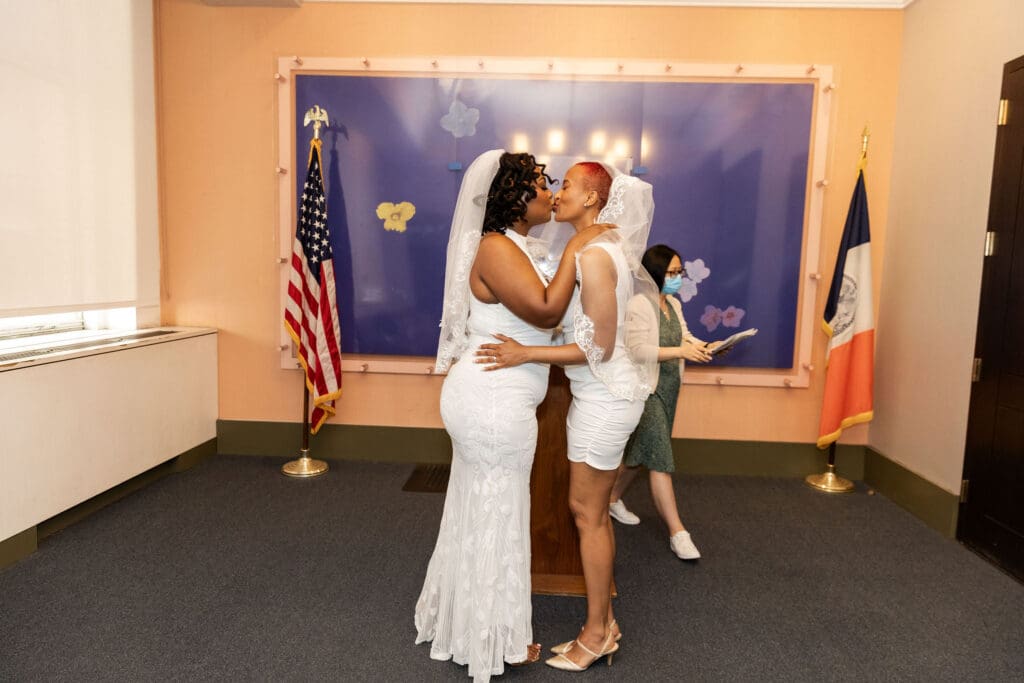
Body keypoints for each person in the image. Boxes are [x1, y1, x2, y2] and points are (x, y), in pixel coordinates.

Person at [414, 150, 603, 683]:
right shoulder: (495, 246)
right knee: (497, 510)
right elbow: (543, 310)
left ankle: (476, 626)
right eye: (542, 184)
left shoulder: (520, 244)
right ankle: (494, 638)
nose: (551, 193)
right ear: (517, 196)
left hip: (503, 396)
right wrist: (577, 248)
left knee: (487, 508)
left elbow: (554, 318)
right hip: (490, 399)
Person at [477, 162, 659, 672]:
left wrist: (525, 355)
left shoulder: (597, 256)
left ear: (594, 198)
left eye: (568, 187)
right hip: (596, 396)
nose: (557, 195)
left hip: (605, 397)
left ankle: (598, 632)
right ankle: (604, 624)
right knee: (589, 513)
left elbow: (598, 348)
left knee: (589, 515)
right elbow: (579, 329)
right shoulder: (595, 250)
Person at [607, 244, 714, 561]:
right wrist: (681, 352)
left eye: (679, 272)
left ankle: (610, 498)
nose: (677, 277)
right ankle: (678, 532)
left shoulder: (674, 305)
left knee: (642, 452)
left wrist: (707, 346)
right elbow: (637, 350)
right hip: (647, 389)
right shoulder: (639, 304)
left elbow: (685, 337)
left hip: (670, 387)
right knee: (660, 459)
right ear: (654, 272)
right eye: (671, 272)